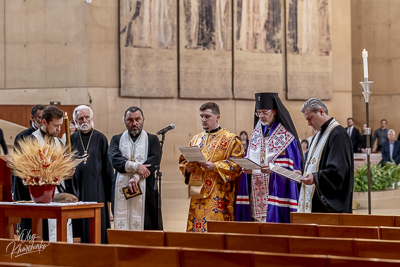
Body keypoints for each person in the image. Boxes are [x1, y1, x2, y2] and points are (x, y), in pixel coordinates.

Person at [237, 92, 303, 223]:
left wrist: (272, 169)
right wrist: (248, 171)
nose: (261, 116)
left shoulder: (286, 137)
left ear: (275, 111)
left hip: (276, 190)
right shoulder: (256, 134)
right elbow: (252, 160)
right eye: (258, 113)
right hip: (256, 191)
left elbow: (295, 172)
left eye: (264, 112)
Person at [179, 102, 244, 232]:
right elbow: (183, 161)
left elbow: (238, 163)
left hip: (219, 196)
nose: (203, 120)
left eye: (207, 116)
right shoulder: (196, 139)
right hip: (198, 194)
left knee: (216, 232)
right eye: (201, 116)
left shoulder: (231, 139)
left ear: (217, 117)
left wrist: (215, 166)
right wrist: (186, 168)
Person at [109, 106, 161, 230]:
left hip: (146, 190)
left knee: (147, 227)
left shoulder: (152, 140)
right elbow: (115, 160)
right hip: (121, 189)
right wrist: (136, 166)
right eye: (130, 120)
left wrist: (136, 177)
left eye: (137, 119)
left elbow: (153, 163)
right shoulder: (116, 139)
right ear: (124, 121)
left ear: (143, 119)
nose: (134, 123)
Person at [298, 98, 353, 213]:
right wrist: (303, 172)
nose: (308, 123)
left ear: (321, 111)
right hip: (315, 202)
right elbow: (316, 165)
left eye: (310, 118)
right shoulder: (318, 136)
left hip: (328, 206)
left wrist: (315, 178)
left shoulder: (338, 134)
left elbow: (339, 171)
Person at [30, 105, 76, 242]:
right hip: (41, 194)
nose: (59, 129)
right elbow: (30, 169)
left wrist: (68, 170)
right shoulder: (32, 140)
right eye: (56, 125)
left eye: (61, 125)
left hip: (58, 190)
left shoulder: (57, 141)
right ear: (44, 122)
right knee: (44, 235)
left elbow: (62, 164)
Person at [70, 105, 113, 243]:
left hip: (97, 188)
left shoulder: (100, 138)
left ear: (91, 118)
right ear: (75, 121)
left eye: (86, 117)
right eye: (80, 118)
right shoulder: (71, 139)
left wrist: (108, 194)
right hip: (77, 187)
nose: (84, 121)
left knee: (97, 221)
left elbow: (107, 167)